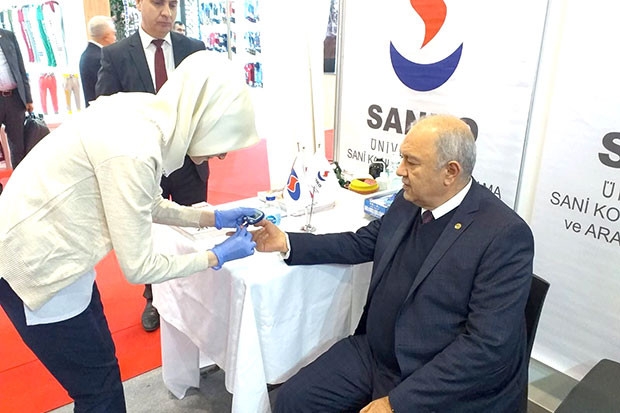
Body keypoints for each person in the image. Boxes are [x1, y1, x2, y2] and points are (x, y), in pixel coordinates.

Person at [0, 51, 259, 412]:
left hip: (61, 254)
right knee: (99, 389)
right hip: (37, 266)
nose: (222, 157)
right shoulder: (136, 147)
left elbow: (148, 203)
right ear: (203, 117)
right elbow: (139, 267)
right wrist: (215, 256)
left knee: (102, 368)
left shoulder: (146, 115)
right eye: (222, 143)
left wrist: (212, 218)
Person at [253, 114, 535, 413]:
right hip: (376, 354)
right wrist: (287, 242)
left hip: (433, 375)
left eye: (411, 162)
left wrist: (398, 402)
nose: (400, 170)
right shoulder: (410, 200)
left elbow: (486, 346)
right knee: (293, 400)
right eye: (402, 158)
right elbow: (362, 242)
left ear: (450, 172)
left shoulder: (503, 235)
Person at [96, 0, 207, 332]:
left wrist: (210, 144)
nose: (167, 12)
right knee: (148, 234)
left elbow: (207, 103)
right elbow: (105, 112)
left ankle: (200, 294)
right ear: (138, 4)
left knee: (195, 230)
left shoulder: (194, 49)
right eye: (158, 2)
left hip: (188, 163)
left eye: (173, 4)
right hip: (142, 165)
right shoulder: (116, 55)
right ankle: (154, 299)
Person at [0, 28, 34, 168]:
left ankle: (20, 179)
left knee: (18, 145)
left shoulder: (8, 35)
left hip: (14, 98)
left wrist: (28, 98)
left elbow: (21, 67)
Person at [79, 15, 117, 108]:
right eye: (114, 34)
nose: (115, 38)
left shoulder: (89, 53)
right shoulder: (99, 58)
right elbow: (107, 90)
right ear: (106, 37)